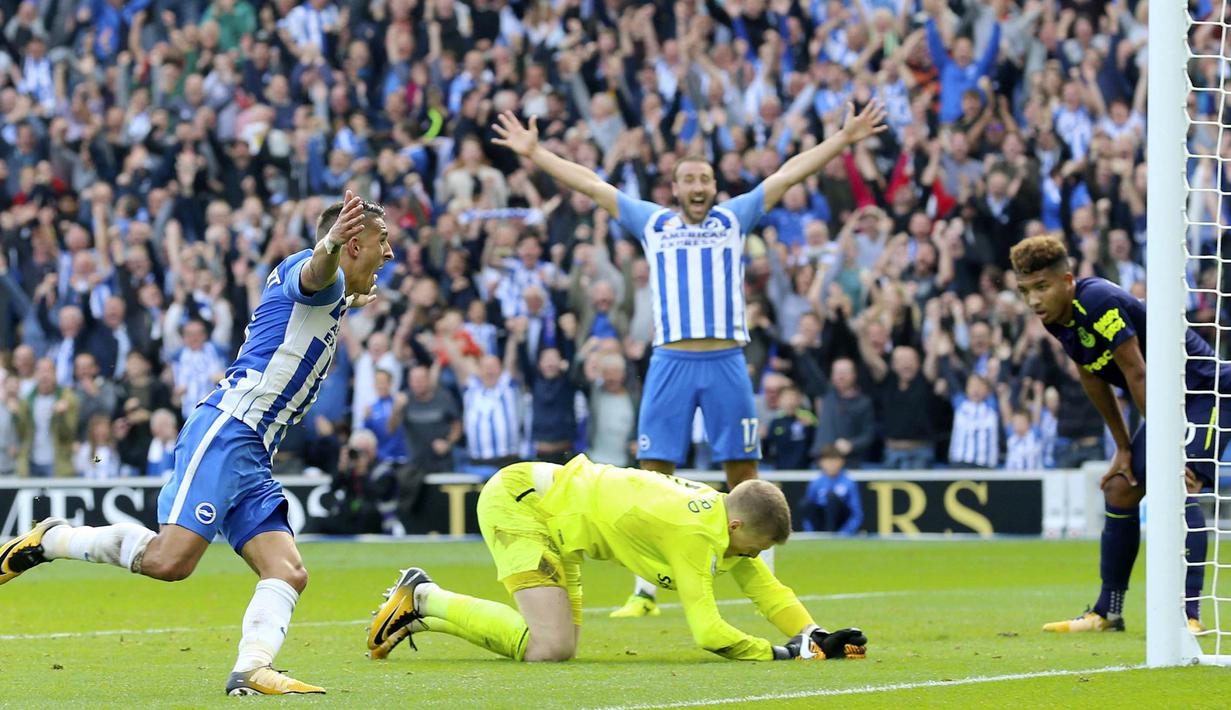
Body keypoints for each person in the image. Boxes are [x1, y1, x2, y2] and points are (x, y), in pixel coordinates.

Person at [491, 100, 888, 617]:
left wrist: (842, 139)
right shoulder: (653, 223)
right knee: (651, 474)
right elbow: (590, 184)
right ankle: (645, 592)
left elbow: (789, 173)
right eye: (688, 180)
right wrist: (536, 152)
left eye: (704, 178)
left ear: (713, 186)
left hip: (726, 359)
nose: (698, 187)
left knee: (744, 474)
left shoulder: (733, 218)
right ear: (674, 189)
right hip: (670, 363)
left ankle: (766, 583)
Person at [0, 190, 393, 695]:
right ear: (352, 244)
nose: (390, 253)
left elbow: (325, 292)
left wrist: (346, 287)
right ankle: (52, 539)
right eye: (382, 240)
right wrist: (330, 248)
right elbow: (316, 273)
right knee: (170, 561)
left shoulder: (334, 292)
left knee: (288, 571)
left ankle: (251, 669)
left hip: (253, 451)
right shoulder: (320, 274)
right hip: (229, 430)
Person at [364, 454, 868, 663]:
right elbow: (708, 632)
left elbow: (763, 587)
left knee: (556, 649)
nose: (753, 558)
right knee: (550, 646)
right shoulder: (693, 533)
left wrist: (812, 635)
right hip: (523, 503)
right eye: (754, 548)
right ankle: (423, 598)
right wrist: (779, 654)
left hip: (562, 518)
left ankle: (421, 601)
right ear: (737, 527)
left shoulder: (721, 520)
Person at [1010, 235, 1214, 633]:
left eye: (1041, 287)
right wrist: (1123, 448)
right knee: (1120, 489)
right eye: (1024, 291)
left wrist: (1168, 446)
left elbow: (1137, 372)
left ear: (1067, 280)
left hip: (1204, 394)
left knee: (1178, 484)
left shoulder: (1098, 301)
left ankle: (1189, 616)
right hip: (1162, 400)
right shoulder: (1058, 319)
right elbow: (1092, 378)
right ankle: (1108, 612)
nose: (1033, 301)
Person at [798, 447, 863, 536]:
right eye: (828, 461)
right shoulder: (816, 482)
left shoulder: (849, 482)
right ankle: (820, 534)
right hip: (821, 520)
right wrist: (810, 532)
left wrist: (844, 533)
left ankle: (831, 533)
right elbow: (808, 508)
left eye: (834, 460)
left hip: (840, 519)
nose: (831, 464)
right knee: (805, 503)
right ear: (821, 462)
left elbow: (856, 514)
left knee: (831, 497)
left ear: (841, 462)